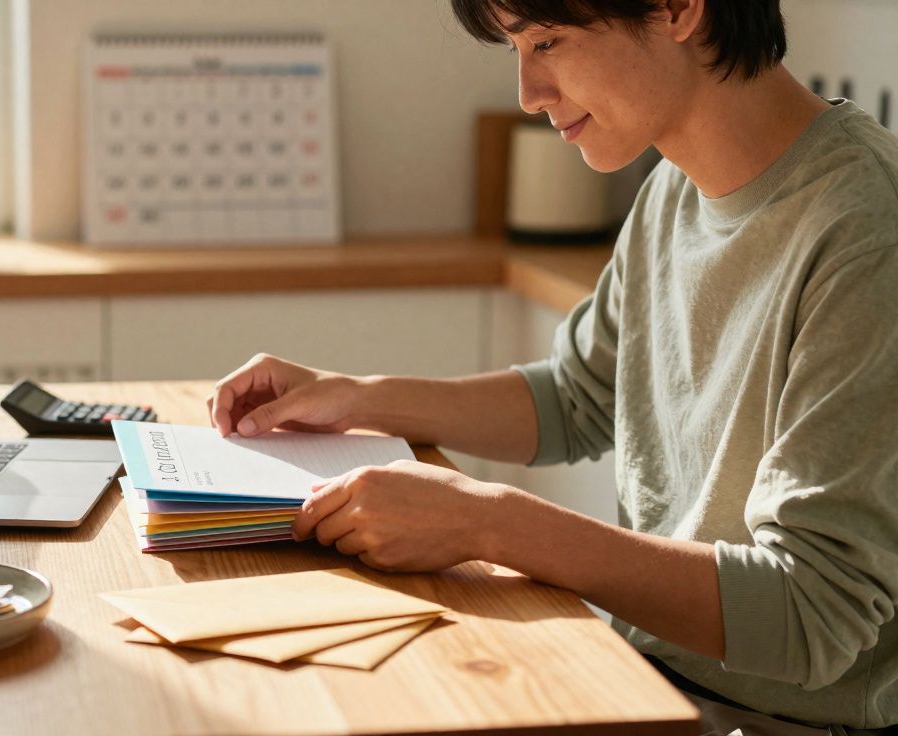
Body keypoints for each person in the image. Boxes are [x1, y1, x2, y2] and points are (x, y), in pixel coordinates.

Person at [206, 0, 898, 733]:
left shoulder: (865, 232)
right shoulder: (674, 187)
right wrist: (357, 398)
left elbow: (815, 615)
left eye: (547, 42)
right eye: (516, 49)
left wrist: (489, 522)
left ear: (680, 9)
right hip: (645, 679)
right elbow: (578, 397)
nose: (527, 93)